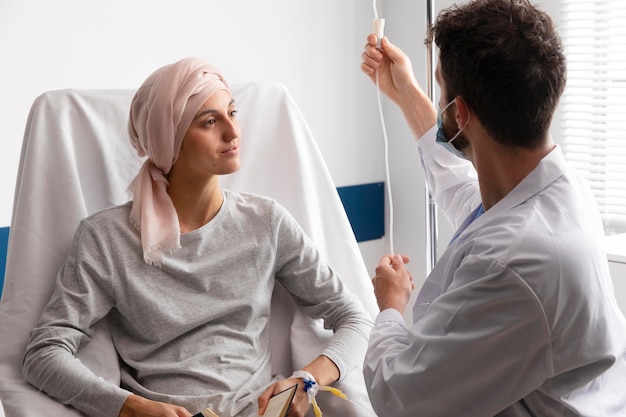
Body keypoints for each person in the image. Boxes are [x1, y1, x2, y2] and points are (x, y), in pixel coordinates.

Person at [22, 57, 372, 417]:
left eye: (232, 113)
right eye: (209, 121)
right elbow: (43, 354)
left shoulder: (266, 222)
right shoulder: (106, 239)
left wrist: (306, 381)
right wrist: (131, 408)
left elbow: (354, 317)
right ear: (168, 140)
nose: (232, 132)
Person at [359, 0, 626, 415]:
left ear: (460, 112)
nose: (440, 99)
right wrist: (407, 94)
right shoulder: (558, 189)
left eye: (441, 89)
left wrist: (391, 306)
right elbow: (466, 190)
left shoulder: (511, 261)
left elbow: (401, 395)